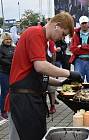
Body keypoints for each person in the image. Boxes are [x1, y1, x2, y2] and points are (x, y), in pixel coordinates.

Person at [8, 12, 83, 140]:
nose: (61, 38)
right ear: (57, 25)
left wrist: (61, 83)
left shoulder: (43, 40)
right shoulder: (35, 32)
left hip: (32, 99)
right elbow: (40, 66)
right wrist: (69, 73)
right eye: (63, 34)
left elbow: (40, 76)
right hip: (22, 101)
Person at [69, 16, 89, 82]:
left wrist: (82, 47)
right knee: (78, 82)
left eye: (85, 23)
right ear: (80, 24)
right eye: (82, 23)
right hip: (78, 61)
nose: (84, 25)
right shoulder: (76, 34)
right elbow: (73, 49)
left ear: (88, 23)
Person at [0, 33, 15, 119]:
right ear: (3, 40)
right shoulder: (0, 48)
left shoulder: (14, 48)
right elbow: (1, 60)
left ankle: (10, 108)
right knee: (5, 92)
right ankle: (3, 111)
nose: (8, 41)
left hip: (12, 72)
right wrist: (12, 63)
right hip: (3, 73)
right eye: (6, 39)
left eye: (9, 39)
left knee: (12, 91)